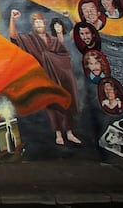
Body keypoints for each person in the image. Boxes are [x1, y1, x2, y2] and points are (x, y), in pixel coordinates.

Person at [9, 9, 81, 146]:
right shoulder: (30, 40)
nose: (39, 24)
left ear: (45, 22)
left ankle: (70, 133)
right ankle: (58, 134)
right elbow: (13, 37)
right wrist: (12, 19)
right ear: (33, 25)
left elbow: (63, 51)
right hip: (45, 78)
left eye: (40, 21)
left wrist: (64, 27)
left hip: (61, 76)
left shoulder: (53, 39)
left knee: (66, 102)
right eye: (36, 22)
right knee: (52, 106)